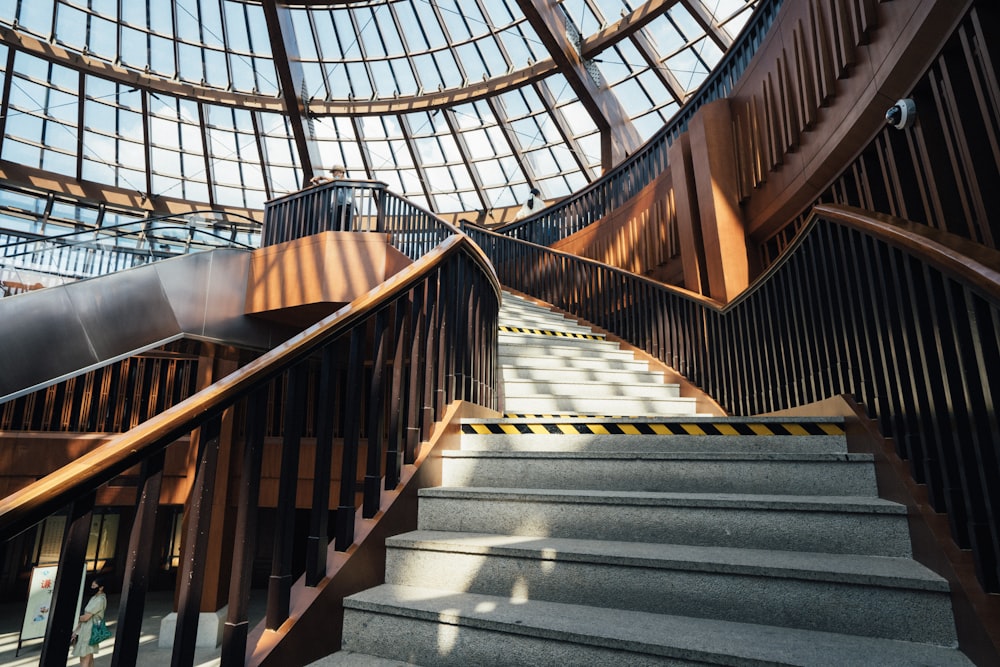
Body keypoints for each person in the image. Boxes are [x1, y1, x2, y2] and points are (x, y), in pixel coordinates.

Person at [70, 576, 108, 666]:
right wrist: (76, 630)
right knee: (88, 654)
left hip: (90, 629)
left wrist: (76, 618)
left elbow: (86, 617)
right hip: (87, 629)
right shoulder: (95, 598)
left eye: (94, 586)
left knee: (85, 655)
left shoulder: (100, 600)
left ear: (101, 587)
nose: (92, 588)